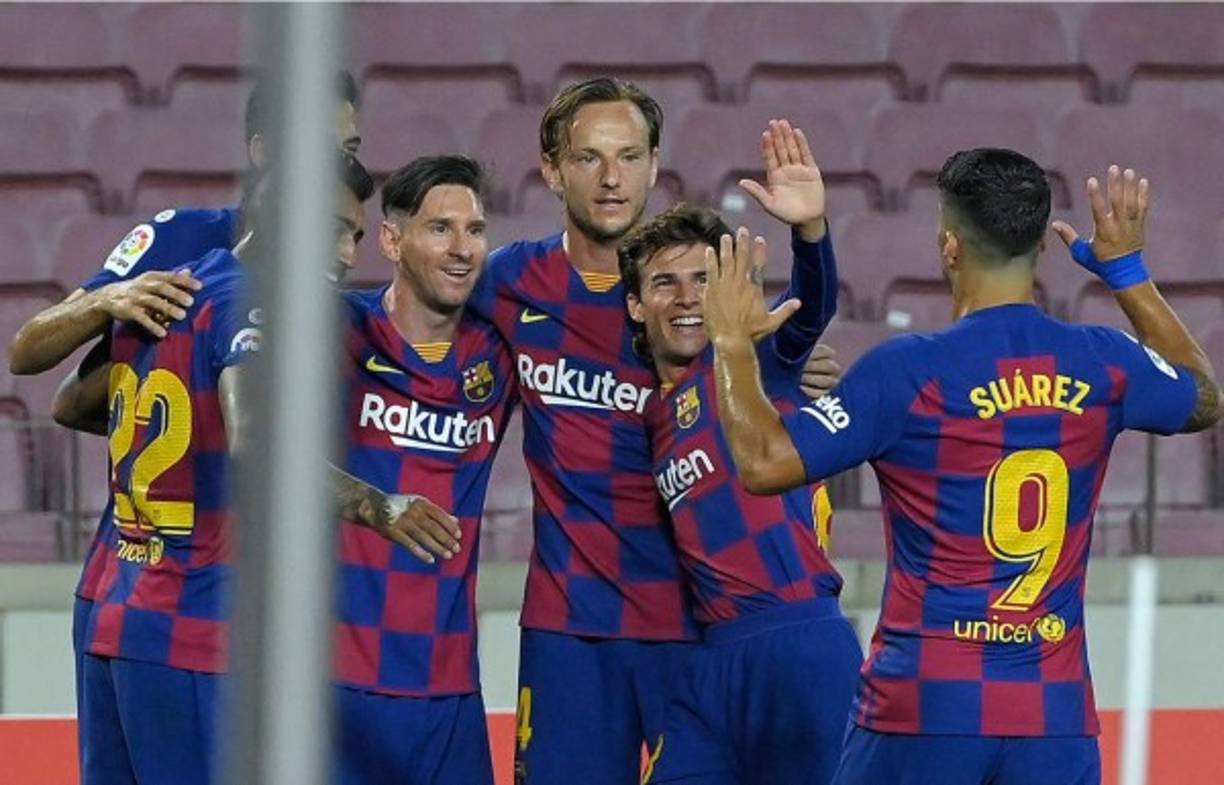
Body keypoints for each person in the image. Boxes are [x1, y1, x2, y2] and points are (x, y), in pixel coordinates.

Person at [700, 150, 1224, 785]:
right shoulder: (1102, 361)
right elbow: (1202, 397)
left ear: (949, 246)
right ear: (1039, 248)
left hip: (922, 706)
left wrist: (731, 345)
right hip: (1052, 716)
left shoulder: (908, 373)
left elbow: (763, 462)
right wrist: (1126, 272)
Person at [468, 76, 840, 784]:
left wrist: (811, 234)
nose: (613, 178)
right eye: (589, 158)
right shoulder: (511, 282)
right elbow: (411, 306)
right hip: (571, 626)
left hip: (695, 624)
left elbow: (803, 314)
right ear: (551, 168)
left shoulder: (699, 290)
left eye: (631, 156)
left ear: (655, 162)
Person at [75, 153, 375, 785]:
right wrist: (380, 507)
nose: (347, 253)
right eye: (332, 228)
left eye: (354, 234)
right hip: (194, 620)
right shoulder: (250, 303)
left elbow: (69, 402)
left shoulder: (172, 285)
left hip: (118, 607)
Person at [618, 120, 862, 785]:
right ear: (637, 305)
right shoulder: (654, 417)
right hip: (711, 658)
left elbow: (808, 311)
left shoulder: (753, 363)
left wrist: (809, 232)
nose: (688, 297)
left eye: (703, 279)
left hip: (798, 639)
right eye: (665, 283)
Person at [329, 155, 516, 785]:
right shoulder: (337, 331)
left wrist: (772, 365)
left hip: (448, 687)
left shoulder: (501, 352)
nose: (462, 248)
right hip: (333, 683)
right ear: (390, 238)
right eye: (440, 228)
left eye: (475, 230)